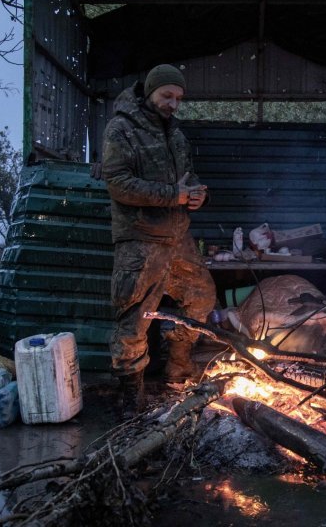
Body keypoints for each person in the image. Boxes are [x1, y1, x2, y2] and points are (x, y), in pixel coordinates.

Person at [101, 64, 216, 417]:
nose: (174, 104)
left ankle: (177, 369)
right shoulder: (122, 129)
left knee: (201, 296)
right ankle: (129, 393)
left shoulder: (175, 135)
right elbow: (117, 182)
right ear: (149, 92)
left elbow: (188, 179)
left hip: (177, 236)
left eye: (179, 98)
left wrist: (197, 196)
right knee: (135, 317)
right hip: (141, 239)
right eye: (167, 96)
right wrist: (174, 196)